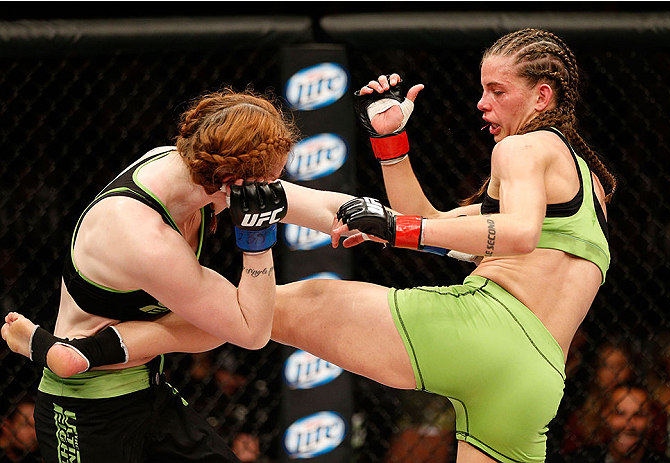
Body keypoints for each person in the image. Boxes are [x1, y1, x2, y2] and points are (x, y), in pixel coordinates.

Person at [4, 28, 616, 463]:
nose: (481, 103)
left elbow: (503, 234)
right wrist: (390, 148)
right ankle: (79, 353)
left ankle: (78, 350)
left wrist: (385, 231)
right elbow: (431, 223)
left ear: (543, 96)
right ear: (234, 176)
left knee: (289, 306)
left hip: (489, 329)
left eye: (498, 90)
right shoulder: (589, 184)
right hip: (537, 381)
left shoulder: (522, 149)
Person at [0, 86, 361, 463]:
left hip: (149, 390)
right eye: (269, 179)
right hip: (85, 410)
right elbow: (252, 332)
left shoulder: (190, 169)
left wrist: (389, 221)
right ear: (230, 178)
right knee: (236, 319)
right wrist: (257, 240)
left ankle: (78, 352)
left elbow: (312, 204)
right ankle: (71, 352)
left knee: (214, 323)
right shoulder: (144, 236)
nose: (274, 188)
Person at [565, 382, 670, 463]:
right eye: (620, 413)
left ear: (650, 419)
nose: (629, 424)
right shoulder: (581, 460)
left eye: (639, 415)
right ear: (606, 416)